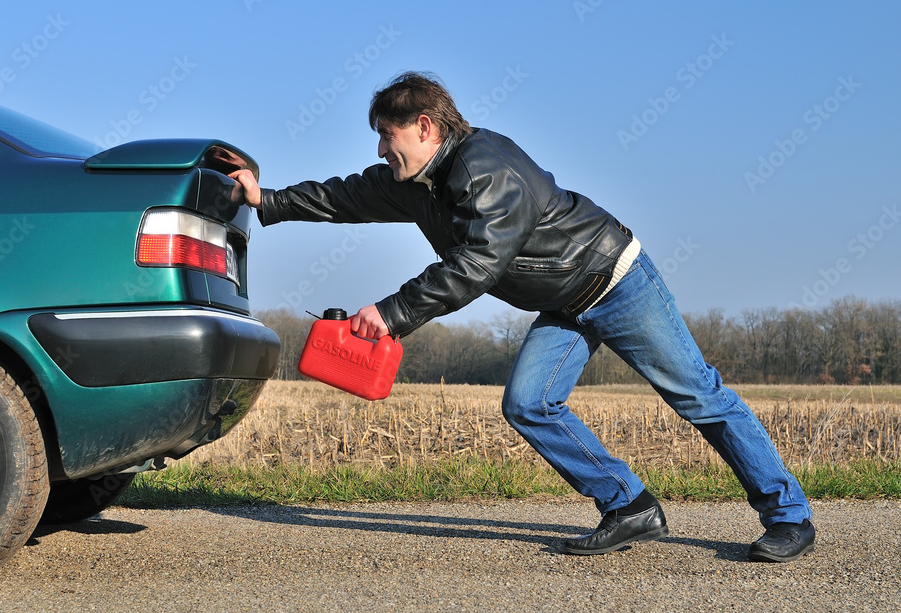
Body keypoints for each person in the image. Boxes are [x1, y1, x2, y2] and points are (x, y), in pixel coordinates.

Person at [216, 71, 815, 562]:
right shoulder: (417, 180)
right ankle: (629, 506)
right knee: (528, 403)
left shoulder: (486, 166)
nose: (379, 149)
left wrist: (393, 313)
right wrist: (265, 199)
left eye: (386, 134)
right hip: (564, 302)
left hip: (615, 280)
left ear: (424, 127)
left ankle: (789, 517)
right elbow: (346, 195)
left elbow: (476, 263)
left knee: (698, 397)